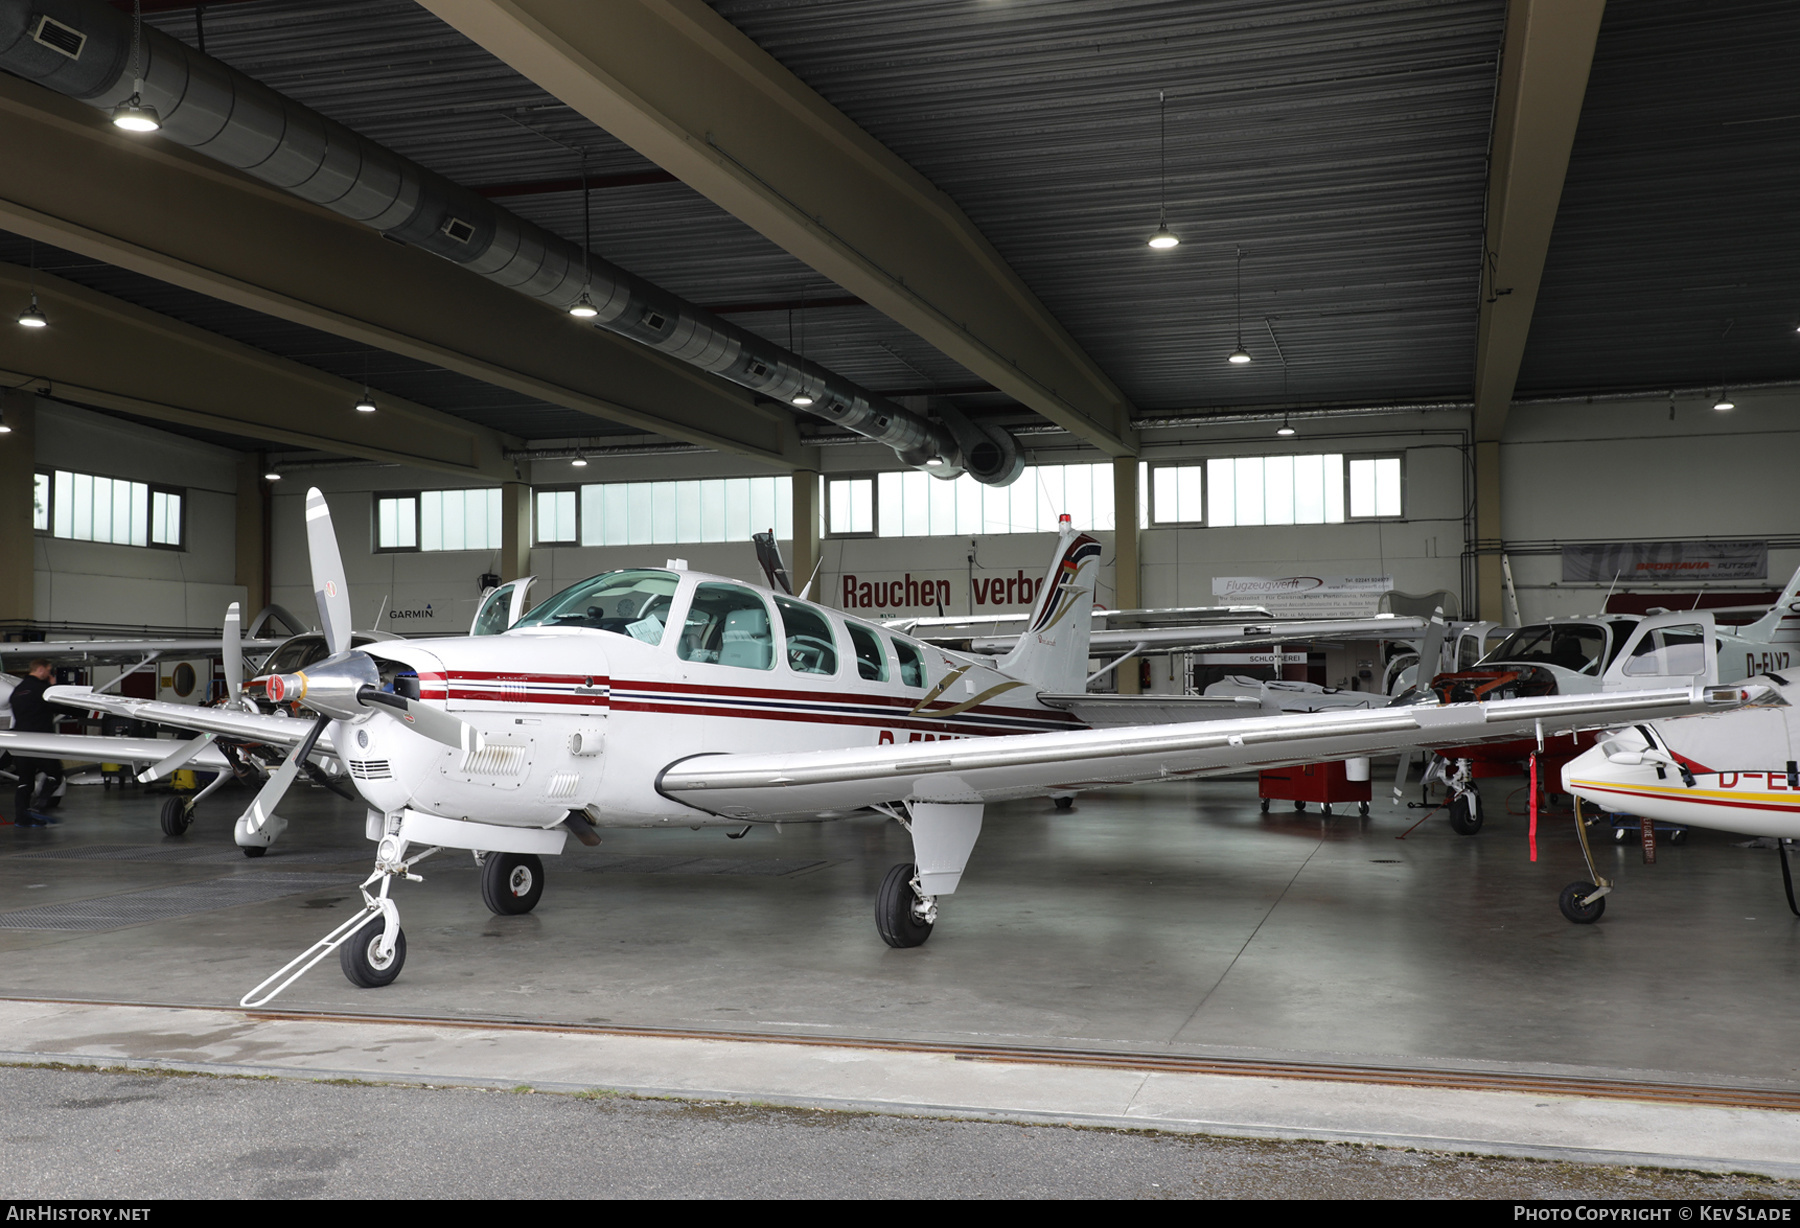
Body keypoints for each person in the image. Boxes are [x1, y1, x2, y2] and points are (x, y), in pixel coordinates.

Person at [10, 659, 63, 827]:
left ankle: (21, 818)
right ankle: (39, 808)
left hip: (20, 742)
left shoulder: (17, 691)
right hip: (40, 741)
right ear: (40, 670)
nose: (49, 674)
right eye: (48, 670)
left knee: (25, 781)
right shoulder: (43, 690)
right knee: (55, 774)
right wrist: (54, 688)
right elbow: (59, 706)